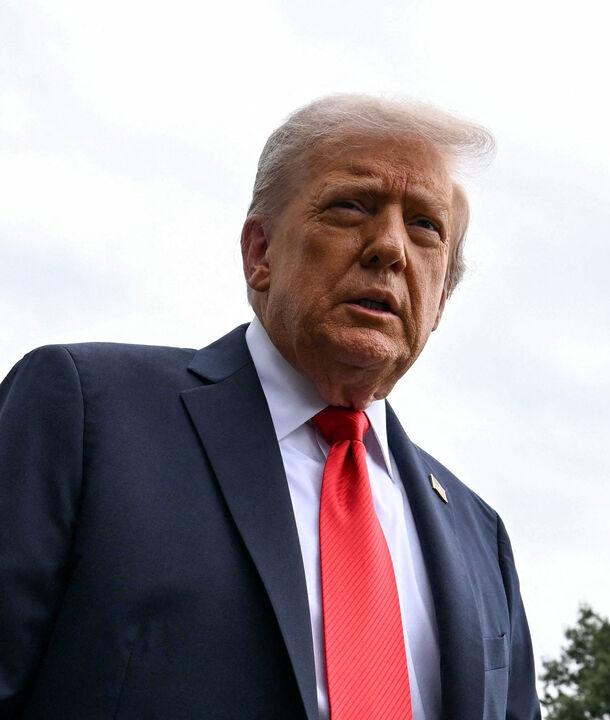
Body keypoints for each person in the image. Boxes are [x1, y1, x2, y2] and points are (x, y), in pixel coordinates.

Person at [0, 95, 540, 720]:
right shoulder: (84, 413)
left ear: (442, 298)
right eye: (351, 206)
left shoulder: (480, 536)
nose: (390, 247)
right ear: (260, 252)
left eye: (425, 226)